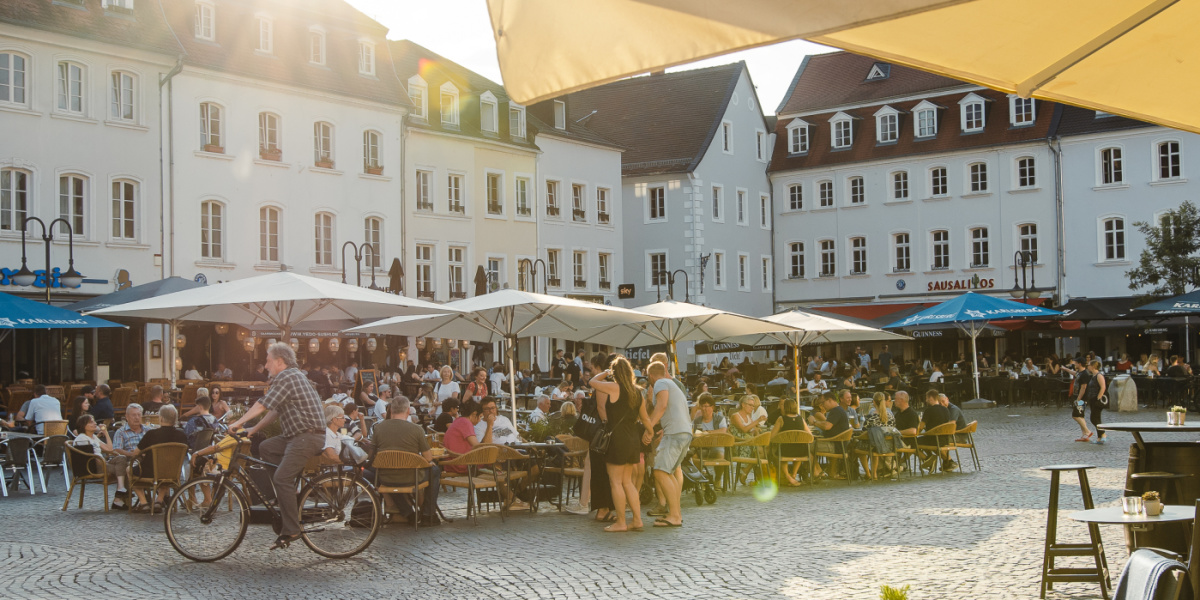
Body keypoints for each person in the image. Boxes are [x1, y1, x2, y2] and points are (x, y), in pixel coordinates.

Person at [228, 342, 327, 549]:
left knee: (282, 478)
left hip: (305, 436)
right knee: (266, 447)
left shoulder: (287, 376)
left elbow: (263, 404)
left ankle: (291, 529)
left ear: (280, 361)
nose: (265, 365)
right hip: (297, 436)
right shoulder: (291, 376)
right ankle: (285, 495)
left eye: (268, 360)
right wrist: (252, 430)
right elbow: (273, 410)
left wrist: (238, 423)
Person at [588, 356, 645, 533]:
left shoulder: (614, 387)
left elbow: (592, 381)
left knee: (616, 483)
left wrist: (606, 372)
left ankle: (621, 522)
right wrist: (649, 432)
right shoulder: (637, 391)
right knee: (628, 482)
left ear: (615, 373)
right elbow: (645, 418)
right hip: (633, 439)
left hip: (617, 440)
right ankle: (637, 520)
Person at [442, 399, 528, 510]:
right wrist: (489, 426)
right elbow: (479, 447)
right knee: (497, 468)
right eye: (480, 416)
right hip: (464, 464)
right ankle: (512, 500)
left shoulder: (460, 421)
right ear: (474, 414)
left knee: (497, 465)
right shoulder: (465, 422)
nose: (480, 420)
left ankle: (511, 499)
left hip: (459, 461)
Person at [369, 396, 440, 526]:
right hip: (411, 476)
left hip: (386, 477)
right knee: (434, 470)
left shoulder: (378, 428)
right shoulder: (416, 429)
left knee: (388, 474)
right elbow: (428, 458)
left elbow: (371, 454)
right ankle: (428, 514)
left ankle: (408, 513)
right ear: (408, 411)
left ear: (390, 411)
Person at [638, 361, 692, 528]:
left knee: (660, 472)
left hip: (675, 433)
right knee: (667, 473)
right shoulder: (673, 384)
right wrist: (664, 429)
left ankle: (675, 516)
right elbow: (673, 410)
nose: (648, 380)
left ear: (652, 375)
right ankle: (675, 513)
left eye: (648, 377)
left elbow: (661, 406)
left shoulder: (661, 382)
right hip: (683, 432)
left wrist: (649, 429)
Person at [568, 353, 614, 520]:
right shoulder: (614, 384)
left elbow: (601, 408)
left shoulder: (602, 384)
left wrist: (605, 427)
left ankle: (585, 502)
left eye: (593, 368)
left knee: (592, 466)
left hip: (600, 431)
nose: (592, 371)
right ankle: (587, 502)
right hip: (606, 430)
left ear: (599, 367)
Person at [130, 405, 189, 511]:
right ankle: (159, 500)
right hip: (173, 472)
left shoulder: (151, 434)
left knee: (129, 470)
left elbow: (135, 453)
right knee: (166, 468)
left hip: (150, 471)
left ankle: (143, 503)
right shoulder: (182, 435)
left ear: (160, 418)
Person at [73, 414, 130, 504]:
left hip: (101, 462)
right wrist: (102, 462)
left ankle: (120, 489)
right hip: (93, 466)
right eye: (91, 422)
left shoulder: (93, 437)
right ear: (84, 425)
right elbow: (85, 457)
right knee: (126, 469)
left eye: (94, 421)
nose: (95, 423)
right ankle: (119, 499)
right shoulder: (81, 438)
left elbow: (110, 449)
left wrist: (106, 432)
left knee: (122, 459)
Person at [769, 397, 812, 486]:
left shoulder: (781, 419)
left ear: (785, 407)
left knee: (781, 449)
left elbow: (772, 437)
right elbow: (810, 436)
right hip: (801, 452)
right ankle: (793, 475)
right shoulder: (801, 419)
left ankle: (788, 476)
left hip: (785, 451)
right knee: (798, 447)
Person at [812, 391, 852, 479]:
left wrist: (814, 422)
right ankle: (826, 472)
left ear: (829, 400)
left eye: (823, 403)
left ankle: (818, 472)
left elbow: (827, 426)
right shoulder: (839, 410)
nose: (822, 406)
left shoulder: (836, 411)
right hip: (840, 444)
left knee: (807, 446)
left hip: (835, 446)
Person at [729, 394, 766, 485]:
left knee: (767, 449)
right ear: (743, 405)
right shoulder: (735, 416)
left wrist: (756, 431)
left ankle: (747, 472)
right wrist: (757, 421)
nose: (752, 408)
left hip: (748, 441)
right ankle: (745, 472)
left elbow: (751, 430)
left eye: (753, 406)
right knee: (761, 451)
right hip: (739, 444)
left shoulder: (748, 416)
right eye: (750, 405)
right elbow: (744, 429)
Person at [918, 389, 954, 472]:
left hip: (933, 439)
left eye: (926, 398)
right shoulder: (946, 410)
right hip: (945, 438)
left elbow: (921, 427)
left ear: (931, 398)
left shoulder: (928, 410)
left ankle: (929, 458)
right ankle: (948, 462)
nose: (926, 400)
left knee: (914, 442)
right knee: (925, 440)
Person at [1080, 360, 1109, 445]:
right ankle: (1100, 437)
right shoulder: (1093, 376)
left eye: (1089, 365)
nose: (1087, 367)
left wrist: (1098, 398)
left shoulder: (1099, 375)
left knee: (1094, 418)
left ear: (1093, 366)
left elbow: (1103, 387)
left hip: (1097, 400)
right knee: (1096, 418)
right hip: (1092, 399)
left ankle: (1103, 434)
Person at [1070, 357, 1095, 442]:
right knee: (1080, 415)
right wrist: (1065, 369)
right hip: (1078, 396)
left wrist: (1078, 398)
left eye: (1076, 363)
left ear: (1080, 364)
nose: (1075, 364)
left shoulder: (1084, 374)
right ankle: (1084, 434)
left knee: (1075, 415)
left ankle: (1087, 431)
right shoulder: (1079, 373)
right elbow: (1074, 373)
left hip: (1081, 398)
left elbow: (1083, 387)